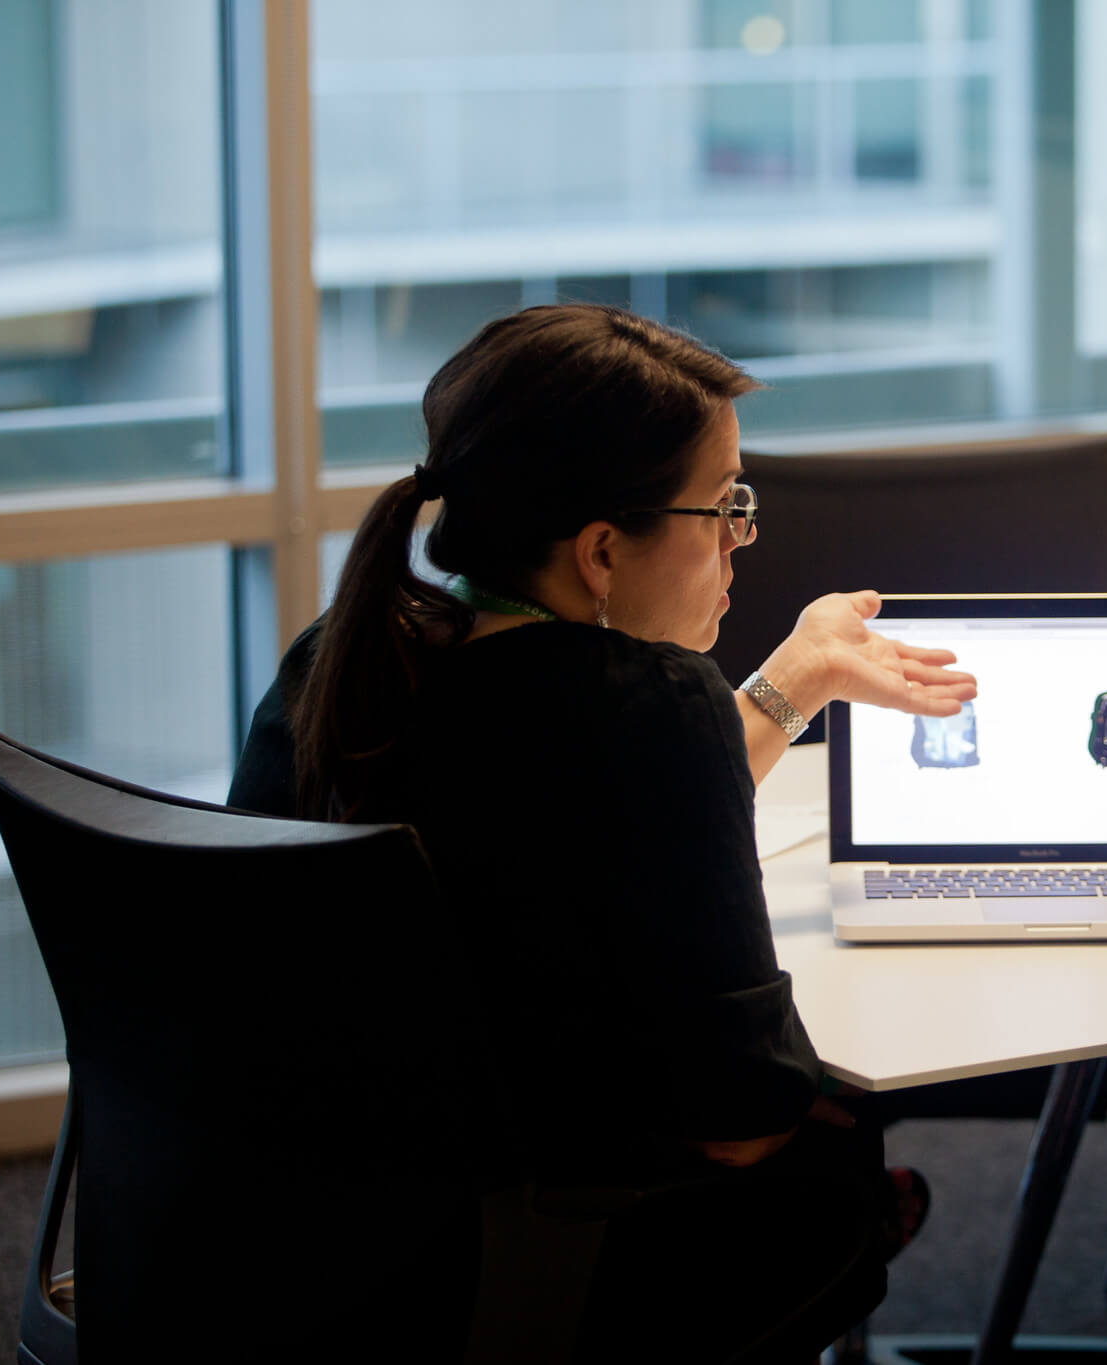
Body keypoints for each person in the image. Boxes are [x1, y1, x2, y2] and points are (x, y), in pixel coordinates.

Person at [227, 303, 975, 1359]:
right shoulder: (646, 701)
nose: (738, 537)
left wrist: (793, 679)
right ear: (600, 550)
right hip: (539, 1262)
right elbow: (743, 1110)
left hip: (289, 1239)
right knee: (839, 1156)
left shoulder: (346, 655)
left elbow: (606, 784)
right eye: (720, 505)